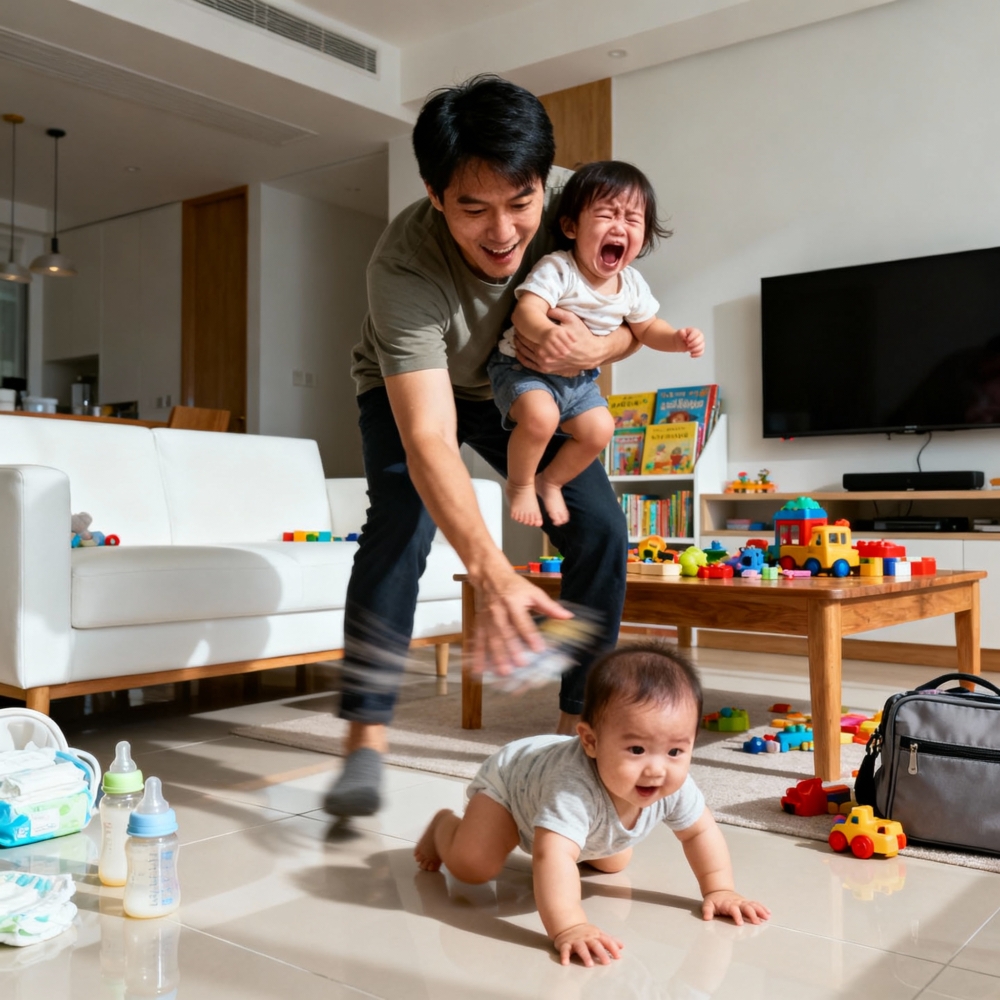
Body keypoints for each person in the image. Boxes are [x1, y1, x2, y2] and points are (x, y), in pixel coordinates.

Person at [323, 76, 635, 818]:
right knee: (400, 521)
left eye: (520, 204)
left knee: (600, 529)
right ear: (435, 196)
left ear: (544, 186)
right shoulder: (401, 265)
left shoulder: (577, 202)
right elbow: (431, 435)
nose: (502, 233)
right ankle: (365, 738)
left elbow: (629, 316)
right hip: (411, 384)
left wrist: (595, 342)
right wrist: (491, 570)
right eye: (473, 209)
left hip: (517, 386)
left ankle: (576, 737)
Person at [414, 642, 770, 967]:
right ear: (590, 741)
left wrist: (719, 888)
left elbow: (699, 832)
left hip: (574, 808)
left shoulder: (675, 783)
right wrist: (569, 925)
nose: (657, 769)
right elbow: (549, 857)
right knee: (473, 865)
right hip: (512, 789)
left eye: (676, 751)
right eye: (636, 750)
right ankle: (444, 826)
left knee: (614, 861)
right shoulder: (572, 787)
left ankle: (588, 836)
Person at [488, 161, 705, 528]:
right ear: (571, 226)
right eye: (606, 215)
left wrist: (677, 339)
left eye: (632, 220)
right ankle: (521, 484)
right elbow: (525, 311)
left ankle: (550, 480)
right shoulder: (559, 268)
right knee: (541, 418)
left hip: (579, 382)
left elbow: (647, 327)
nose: (619, 226)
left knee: (601, 429)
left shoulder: (633, 284)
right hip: (522, 367)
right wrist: (545, 333)